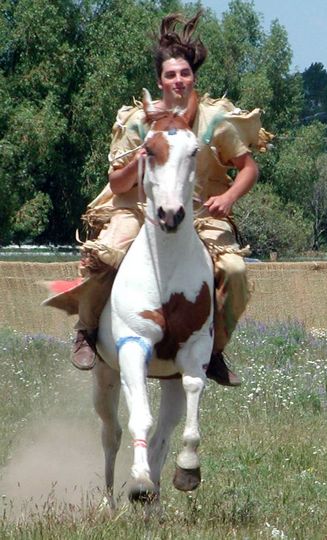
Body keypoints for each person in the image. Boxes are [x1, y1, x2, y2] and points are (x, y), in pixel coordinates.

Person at [47, 12, 272, 385]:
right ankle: (86, 332)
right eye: (170, 75)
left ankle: (214, 350)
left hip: (202, 213)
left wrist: (229, 196)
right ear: (159, 80)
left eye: (184, 73)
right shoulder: (137, 120)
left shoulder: (216, 120)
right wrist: (141, 159)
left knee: (234, 271)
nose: (178, 80)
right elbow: (117, 184)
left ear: (193, 76)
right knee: (101, 255)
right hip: (139, 208)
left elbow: (248, 168)